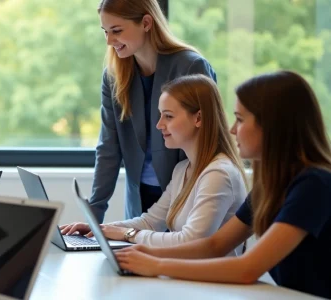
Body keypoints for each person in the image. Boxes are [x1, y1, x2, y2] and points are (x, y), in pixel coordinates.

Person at [115, 71, 331, 299]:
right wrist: (146, 252)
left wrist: (157, 265)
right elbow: (215, 245)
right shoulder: (270, 185)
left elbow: (247, 269)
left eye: (240, 119)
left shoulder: (313, 184)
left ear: (271, 125)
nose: (232, 129)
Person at [61, 75, 246, 254]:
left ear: (198, 118)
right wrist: (100, 229)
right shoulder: (183, 170)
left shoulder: (218, 174)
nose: (159, 125)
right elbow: (151, 222)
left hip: (212, 283)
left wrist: (128, 235)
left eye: (168, 116)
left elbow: (192, 241)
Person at [89, 0, 218, 222]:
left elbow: (208, 143)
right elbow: (108, 148)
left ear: (146, 23)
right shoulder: (113, 76)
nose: (110, 41)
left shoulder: (191, 67)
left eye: (117, 31)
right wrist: (93, 215)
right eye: (105, 32)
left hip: (186, 197)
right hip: (139, 201)